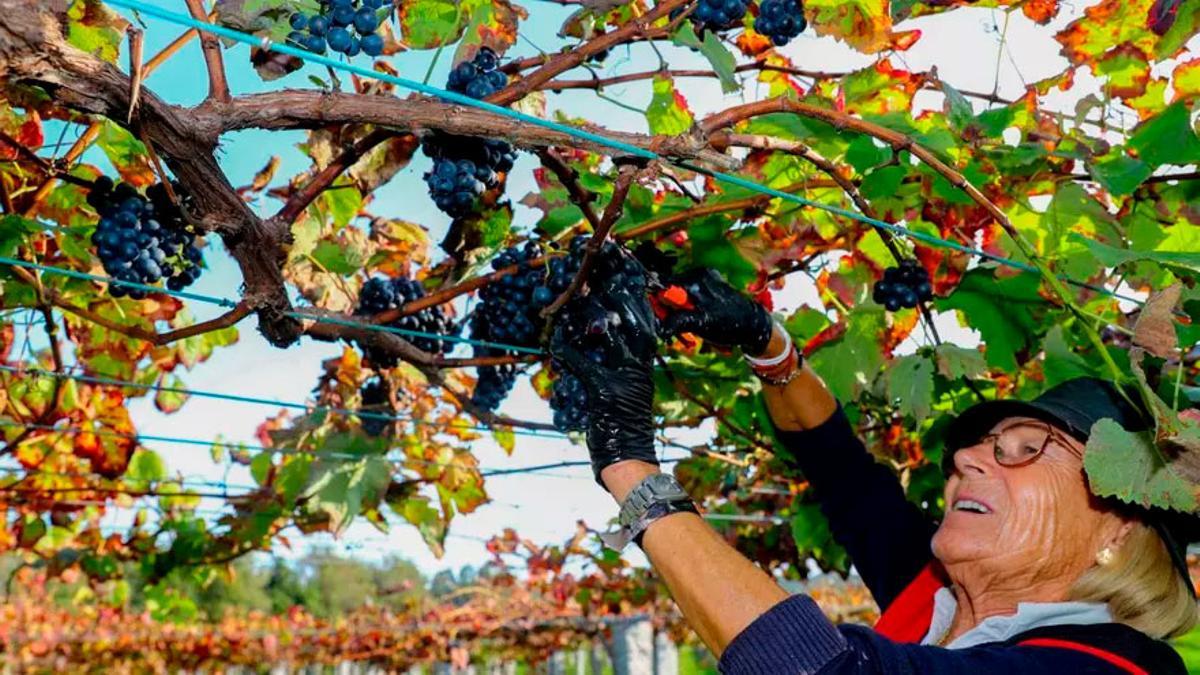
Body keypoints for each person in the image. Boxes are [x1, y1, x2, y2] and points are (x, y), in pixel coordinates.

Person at [550, 256, 1198, 674]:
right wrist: (764, 342)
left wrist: (630, 463)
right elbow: (841, 468)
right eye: (977, 443)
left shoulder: (1117, 668)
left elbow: (824, 671)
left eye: (1024, 447)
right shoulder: (939, 597)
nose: (968, 457)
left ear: (1118, 526)